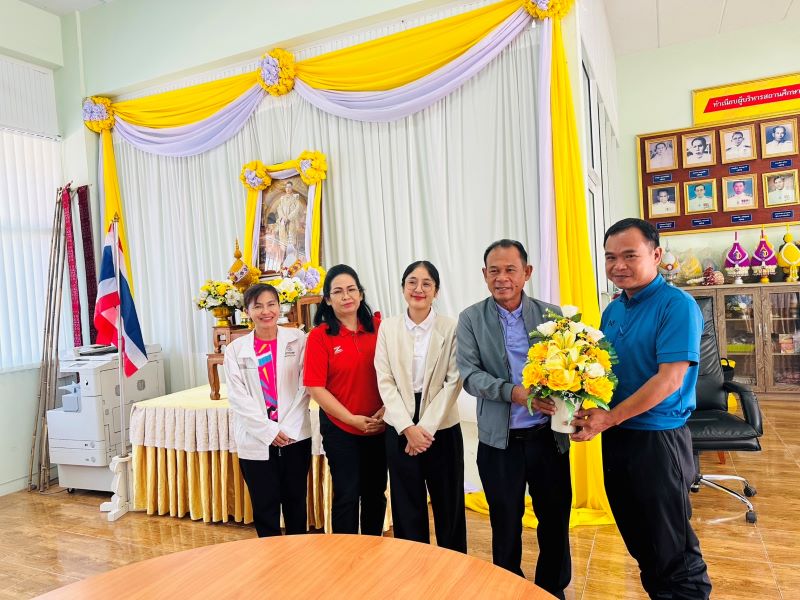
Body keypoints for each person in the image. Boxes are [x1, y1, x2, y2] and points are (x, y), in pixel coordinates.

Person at [539, 218, 712, 599]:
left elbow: (668, 380)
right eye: (610, 257)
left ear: (656, 254)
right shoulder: (614, 310)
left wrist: (610, 417)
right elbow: (605, 379)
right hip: (619, 439)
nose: (619, 265)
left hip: (658, 441)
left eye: (630, 255)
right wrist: (580, 411)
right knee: (641, 543)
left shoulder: (677, 306)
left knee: (674, 553)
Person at [456, 239, 571, 599]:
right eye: (494, 271)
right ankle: (509, 590)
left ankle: (552, 590)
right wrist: (515, 393)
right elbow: (470, 376)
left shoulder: (553, 316)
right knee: (505, 524)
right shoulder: (471, 318)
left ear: (527, 273)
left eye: (510, 270)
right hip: (499, 442)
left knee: (554, 522)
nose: (502, 278)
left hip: (546, 438)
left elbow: (573, 368)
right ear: (484, 275)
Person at [374, 260, 467, 553]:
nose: (419, 289)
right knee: (406, 503)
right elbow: (384, 379)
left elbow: (454, 381)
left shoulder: (451, 327)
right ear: (403, 288)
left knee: (448, 502)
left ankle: (454, 567)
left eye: (427, 283)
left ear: (436, 291)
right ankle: (414, 568)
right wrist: (406, 428)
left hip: (441, 424)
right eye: (412, 282)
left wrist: (423, 429)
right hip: (399, 421)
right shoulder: (387, 328)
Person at [304, 264, 387, 535]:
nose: (346, 296)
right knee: (347, 496)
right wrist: (351, 419)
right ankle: (346, 557)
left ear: (361, 294)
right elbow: (316, 388)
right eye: (337, 292)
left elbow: (397, 374)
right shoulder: (319, 337)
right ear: (327, 299)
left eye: (351, 289)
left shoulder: (379, 328)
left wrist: (386, 410)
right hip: (341, 429)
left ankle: (374, 549)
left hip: (379, 425)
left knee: (375, 494)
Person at [223, 283, 311, 537]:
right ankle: (271, 563)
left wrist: (286, 428)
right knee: (264, 507)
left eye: (271, 304)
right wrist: (269, 430)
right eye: (257, 306)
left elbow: (305, 386)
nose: (266, 311)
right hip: (256, 438)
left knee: (296, 503)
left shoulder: (298, 339)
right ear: (247, 311)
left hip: (295, 435)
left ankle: (300, 559)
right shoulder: (235, 350)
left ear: (279, 306)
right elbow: (238, 398)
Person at [275, 181, 303, 262]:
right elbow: (279, 208)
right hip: (283, 222)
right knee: (284, 241)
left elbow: (297, 209)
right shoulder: (282, 198)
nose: (288, 189)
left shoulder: (295, 197)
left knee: (292, 241)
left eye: (289, 187)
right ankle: (284, 260)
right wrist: (283, 217)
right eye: (286, 187)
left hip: (291, 222)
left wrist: (289, 218)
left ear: (292, 188)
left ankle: (294, 260)